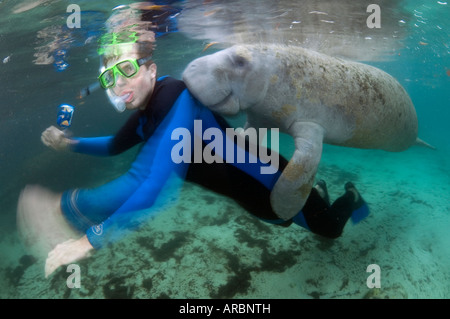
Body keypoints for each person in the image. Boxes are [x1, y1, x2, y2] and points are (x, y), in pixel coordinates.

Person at [17, 3, 369, 278]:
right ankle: (317, 194)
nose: (119, 84)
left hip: (275, 184)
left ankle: (349, 197)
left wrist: (82, 232)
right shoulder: (145, 115)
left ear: (151, 69)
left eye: (127, 70)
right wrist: (70, 143)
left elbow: (150, 184)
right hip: (258, 199)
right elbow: (112, 146)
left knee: (330, 231)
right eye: (110, 77)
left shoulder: (175, 96)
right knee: (290, 220)